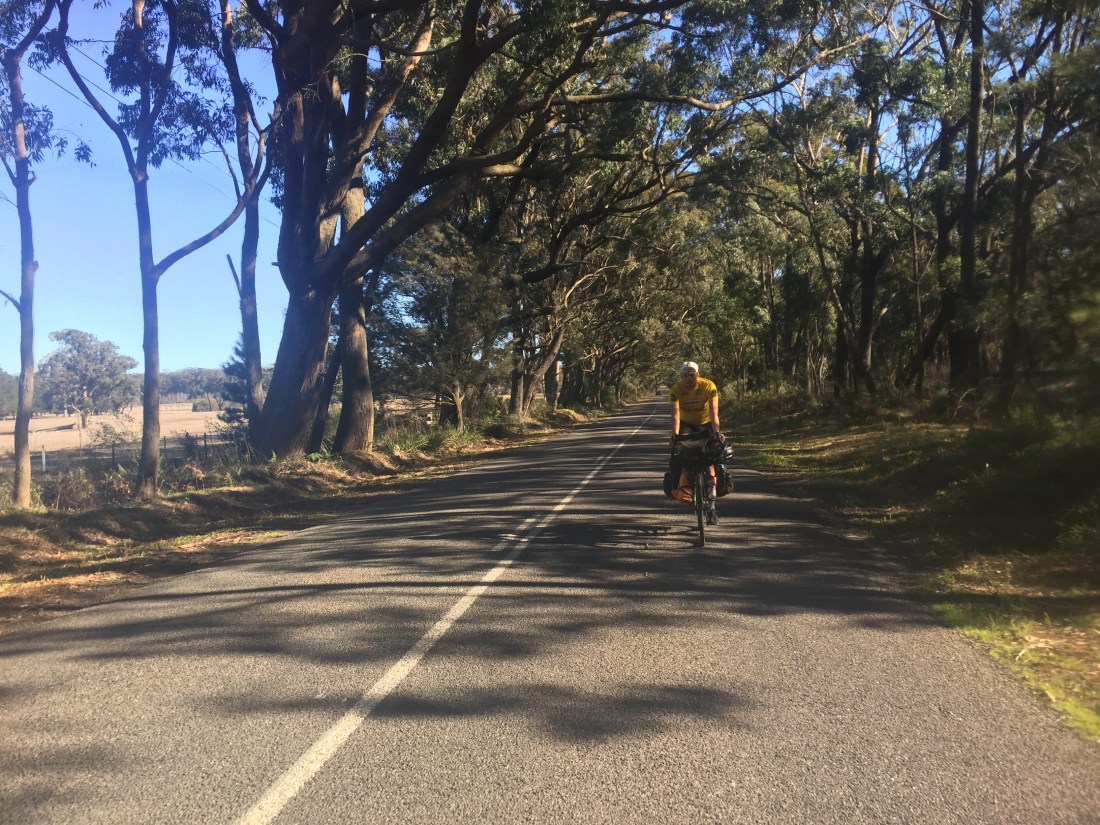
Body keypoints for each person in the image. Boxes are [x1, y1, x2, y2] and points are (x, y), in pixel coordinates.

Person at [668, 361, 723, 524]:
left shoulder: (709, 386)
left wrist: (717, 433)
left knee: (710, 463)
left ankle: (712, 509)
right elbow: (675, 415)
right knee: (684, 453)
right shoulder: (676, 390)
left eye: (691, 375)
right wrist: (675, 435)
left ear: (698, 375)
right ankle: (687, 486)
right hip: (686, 425)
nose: (688, 379)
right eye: (685, 376)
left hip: (706, 423)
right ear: (681, 376)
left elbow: (714, 412)